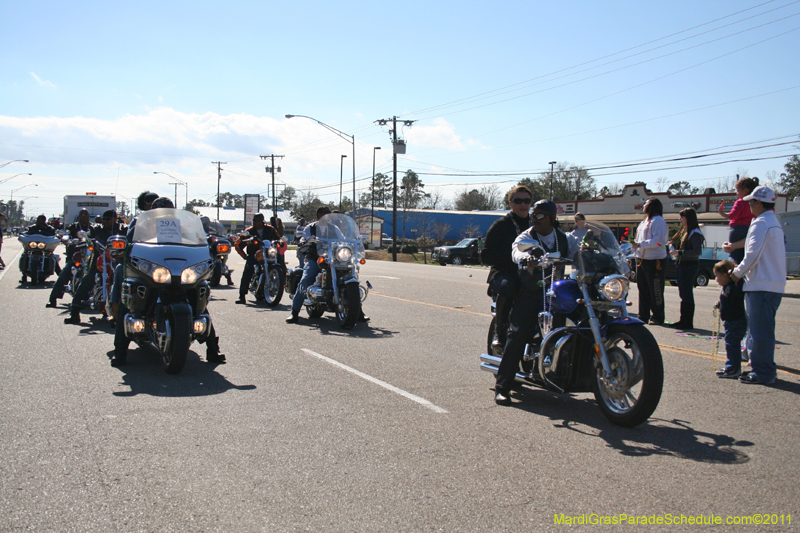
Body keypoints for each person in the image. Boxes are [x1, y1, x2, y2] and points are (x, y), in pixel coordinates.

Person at [111, 197, 226, 366]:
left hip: (178, 270)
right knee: (128, 301)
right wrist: (122, 247)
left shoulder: (181, 227)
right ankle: (120, 351)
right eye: (161, 212)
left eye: (168, 212)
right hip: (151, 269)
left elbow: (198, 238)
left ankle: (213, 349)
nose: (165, 217)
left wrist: (210, 242)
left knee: (199, 302)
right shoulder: (140, 223)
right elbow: (129, 243)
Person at [494, 200, 571, 406]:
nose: (533, 219)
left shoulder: (563, 238)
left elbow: (580, 254)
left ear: (552, 218)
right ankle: (503, 387)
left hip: (556, 294)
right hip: (531, 292)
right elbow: (517, 251)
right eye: (532, 215)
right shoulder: (526, 236)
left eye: (539, 216)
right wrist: (526, 258)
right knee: (518, 333)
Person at [730, 185, 786, 385]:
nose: (749, 206)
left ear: (759, 203)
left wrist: (736, 273)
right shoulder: (773, 222)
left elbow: (752, 255)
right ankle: (760, 368)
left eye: (751, 202)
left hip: (762, 285)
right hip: (770, 284)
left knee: (760, 332)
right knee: (760, 330)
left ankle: (763, 372)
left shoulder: (761, 223)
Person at [480, 185, 532, 354]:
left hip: (533, 273)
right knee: (506, 287)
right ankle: (499, 333)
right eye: (518, 201)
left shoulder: (537, 224)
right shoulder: (501, 225)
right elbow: (486, 256)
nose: (523, 204)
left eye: (526, 201)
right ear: (511, 203)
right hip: (505, 272)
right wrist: (513, 257)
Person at [63, 210, 126, 324]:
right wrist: (87, 240)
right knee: (88, 279)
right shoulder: (97, 230)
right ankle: (75, 313)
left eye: (108, 219)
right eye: (104, 219)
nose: (105, 221)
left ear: (115, 219)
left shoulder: (123, 229)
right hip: (100, 261)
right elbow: (88, 237)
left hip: (118, 261)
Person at [287, 206, 331, 323]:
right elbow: (303, 239)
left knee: (349, 276)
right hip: (315, 258)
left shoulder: (334, 228)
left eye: (329, 213)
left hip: (332, 258)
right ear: (319, 215)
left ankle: (358, 312)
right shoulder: (311, 228)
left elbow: (343, 239)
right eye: (325, 213)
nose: (327, 215)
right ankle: (294, 312)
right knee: (306, 279)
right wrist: (304, 241)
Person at [631, 198, 668, 326]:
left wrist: (640, 244)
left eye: (646, 203)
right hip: (642, 260)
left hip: (655, 260)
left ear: (652, 206)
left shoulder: (658, 221)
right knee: (643, 289)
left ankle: (657, 316)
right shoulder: (644, 221)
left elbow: (658, 241)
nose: (643, 205)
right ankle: (643, 315)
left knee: (655, 289)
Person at [666, 208, 704, 329]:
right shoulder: (685, 231)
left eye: (682, 217)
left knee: (687, 293)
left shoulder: (695, 233)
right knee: (683, 292)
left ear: (688, 218)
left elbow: (697, 252)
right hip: (683, 264)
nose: (680, 219)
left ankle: (688, 322)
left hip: (690, 265)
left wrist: (680, 252)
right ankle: (683, 320)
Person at [46, 208, 93, 308]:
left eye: (86, 216)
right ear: (79, 216)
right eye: (83, 215)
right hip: (75, 256)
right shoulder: (73, 227)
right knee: (66, 272)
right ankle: (53, 299)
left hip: (90, 256)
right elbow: (66, 236)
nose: (85, 218)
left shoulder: (92, 228)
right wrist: (67, 239)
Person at [235, 213, 282, 305]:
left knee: (281, 263)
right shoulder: (249, 231)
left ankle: (282, 281)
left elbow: (278, 238)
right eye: (254, 220)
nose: (255, 222)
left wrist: (280, 242)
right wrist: (244, 256)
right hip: (254, 255)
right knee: (248, 270)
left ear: (262, 221)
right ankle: (242, 296)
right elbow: (238, 244)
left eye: (257, 220)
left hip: (268, 253)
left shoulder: (270, 229)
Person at [713, 260, 747, 379]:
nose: (716, 279)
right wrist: (720, 304)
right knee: (731, 344)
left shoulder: (734, 286)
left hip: (736, 321)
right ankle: (731, 367)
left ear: (725, 275)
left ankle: (733, 368)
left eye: (717, 276)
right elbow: (727, 300)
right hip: (730, 321)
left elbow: (737, 299)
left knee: (732, 345)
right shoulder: (726, 286)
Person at [719, 177, 758, 264]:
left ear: (745, 190)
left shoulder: (740, 202)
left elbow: (732, 216)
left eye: (738, 190)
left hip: (737, 229)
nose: (737, 193)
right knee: (745, 253)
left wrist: (722, 213)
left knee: (734, 253)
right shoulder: (755, 203)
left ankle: (733, 270)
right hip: (750, 228)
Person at [20, 215, 57, 283]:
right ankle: (24, 276)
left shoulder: (49, 228)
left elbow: (54, 234)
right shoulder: (32, 228)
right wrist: (22, 234)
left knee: (51, 256)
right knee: (25, 254)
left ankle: (60, 276)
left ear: (44, 221)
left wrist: (57, 236)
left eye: (41, 220)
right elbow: (26, 232)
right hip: (33, 246)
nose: (40, 222)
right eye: (38, 220)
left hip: (44, 247)